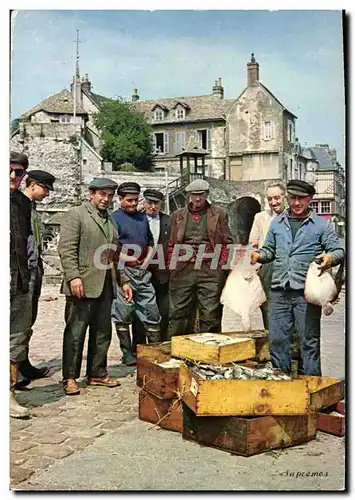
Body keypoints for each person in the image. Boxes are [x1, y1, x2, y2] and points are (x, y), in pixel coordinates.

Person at [250, 180, 344, 376]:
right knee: (277, 341)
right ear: (288, 198)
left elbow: (338, 250)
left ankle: (312, 390)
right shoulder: (277, 223)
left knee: (308, 341)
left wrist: (330, 258)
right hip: (278, 291)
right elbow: (269, 250)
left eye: (301, 198)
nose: (296, 203)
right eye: (293, 198)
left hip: (306, 294)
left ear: (309, 199)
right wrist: (259, 255)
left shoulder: (321, 225)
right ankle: (283, 386)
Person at [58, 178, 132, 396]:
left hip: (106, 286)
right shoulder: (76, 214)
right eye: (102, 194)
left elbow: (114, 254)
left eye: (110, 195)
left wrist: (124, 280)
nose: (106, 199)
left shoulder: (111, 220)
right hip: (82, 284)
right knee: (75, 333)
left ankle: (97, 373)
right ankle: (70, 377)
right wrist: (73, 277)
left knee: (102, 332)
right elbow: (67, 249)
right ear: (91, 193)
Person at [168, 179, 234, 338]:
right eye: (194, 195)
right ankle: (176, 349)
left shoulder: (219, 214)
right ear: (189, 195)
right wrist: (173, 264)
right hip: (183, 269)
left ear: (207, 195)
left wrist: (221, 266)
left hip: (209, 270)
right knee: (177, 312)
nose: (197, 199)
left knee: (210, 313)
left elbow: (228, 242)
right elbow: (171, 244)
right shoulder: (178, 216)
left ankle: (209, 351)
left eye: (201, 195)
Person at [111, 182, 161, 366]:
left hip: (143, 272)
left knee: (151, 311)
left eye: (135, 200)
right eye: (129, 200)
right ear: (120, 199)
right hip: (124, 272)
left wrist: (146, 259)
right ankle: (127, 353)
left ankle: (155, 352)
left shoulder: (142, 218)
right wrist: (127, 260)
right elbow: (111, 248)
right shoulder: (113, 218)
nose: (133, 204)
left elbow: (149, 241)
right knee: (123, 313)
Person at [17, 170, 56, 385]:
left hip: (35, 267)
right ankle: (15, 369)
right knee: (20, 320)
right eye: (45, 189)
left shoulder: (31, 208)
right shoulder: (18, 206)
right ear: (32, 185)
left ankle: (23, 363)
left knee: (29, 318)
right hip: (23, 269)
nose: (47, 194)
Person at [132, 189, 171, 347]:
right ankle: (139, 347)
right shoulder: (136, 220)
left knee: (163, 311)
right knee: (140, 312)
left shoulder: (168, 220)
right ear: (144, 202)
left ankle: (160, 346)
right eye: (149, 203)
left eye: (156, 204)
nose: (153, 207)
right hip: (141, 272)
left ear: (161, 204)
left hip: (162, 274)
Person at [10, 151, 33, 418]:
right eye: (10, 170)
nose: (14, 176)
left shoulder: (22, 204)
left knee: (16, 340)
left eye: (19, 172)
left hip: (18, 279)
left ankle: (10, 395)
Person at [249, 182, 286, 330]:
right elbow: (253, 243)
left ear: (285, 197)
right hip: (268, 267)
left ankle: (294, 350)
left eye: (277, 198)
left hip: (289, 266)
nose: (273, 202)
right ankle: (273, 345)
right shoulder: (261, 218)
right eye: (269, 199)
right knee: (269, 308)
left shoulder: (293, 216)